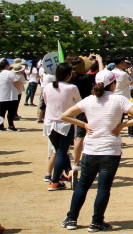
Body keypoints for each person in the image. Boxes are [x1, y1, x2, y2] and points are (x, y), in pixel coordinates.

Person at [60, 70, 133, 231]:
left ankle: (71, 219)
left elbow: (65, 115)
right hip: (110, 150)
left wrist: (84, 124)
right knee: (104, 188)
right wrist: (122, 125)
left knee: (83, 185)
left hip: (91, 149)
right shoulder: (119, 99)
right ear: (112, 84)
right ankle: (96, 221)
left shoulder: (89, 100)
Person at [42, 63, 82, 191]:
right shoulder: (72, 87)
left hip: (50, 122)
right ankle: (55, 181)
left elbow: (46, 102)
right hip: (65, 123)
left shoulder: (48, 86)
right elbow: (80, 104)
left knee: (59, 150)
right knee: (61, 152)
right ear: (69, 74)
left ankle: (66, 172)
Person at [0, 59, 20, 131]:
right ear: (6, 65)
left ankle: (1, 126)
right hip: (10, 95)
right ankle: (11, 126)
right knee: (11, 111)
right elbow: (16, 82)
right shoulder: (9, 73)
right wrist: (18, 89)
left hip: (1, 95)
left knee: (2, 112)